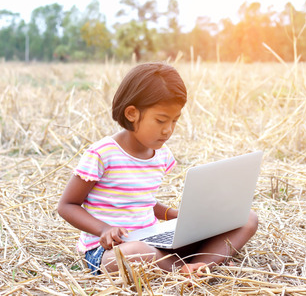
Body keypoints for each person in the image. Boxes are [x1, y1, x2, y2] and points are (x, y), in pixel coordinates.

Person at [58, 62, 258, 276]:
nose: (168, 130)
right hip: (108, 249)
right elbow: (67, 205)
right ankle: (184, 269)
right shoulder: (102, 153)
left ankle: (199, 265)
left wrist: (175, 216)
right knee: (135, 253)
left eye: (175, 121)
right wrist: (104, 229)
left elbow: (141, 199)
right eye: (161, 120)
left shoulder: (160, 154)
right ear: (132, 113)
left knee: (246, 218)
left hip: (152, 238)